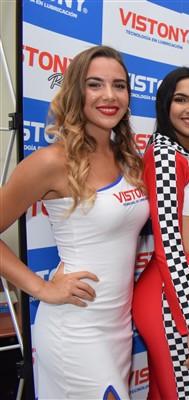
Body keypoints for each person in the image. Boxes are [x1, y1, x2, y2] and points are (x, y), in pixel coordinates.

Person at [0, 45, 148, 399]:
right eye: (94, 84)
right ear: (74, 91)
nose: (109, 95)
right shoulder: (51, 162)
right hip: (75, 328)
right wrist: (40, 288)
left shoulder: (128, 158)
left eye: (119, 85)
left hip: (119, 329)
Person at [131, 67, 189, 399]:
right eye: (181, 100)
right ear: (165, 104)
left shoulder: (185, 155)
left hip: (178, 298)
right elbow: (169, 244)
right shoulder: (165, 153)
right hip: (169, 300)